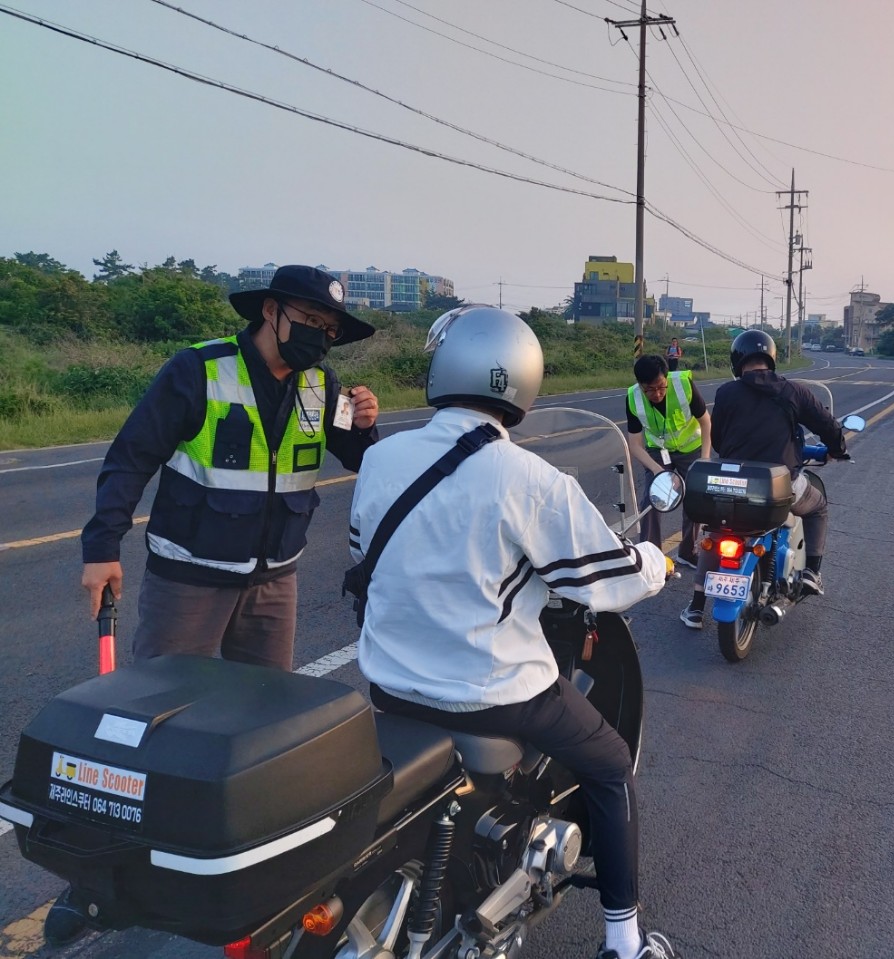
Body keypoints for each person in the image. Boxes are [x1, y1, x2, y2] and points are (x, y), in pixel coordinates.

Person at [50, 267, 382, 948]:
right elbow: (130, 455)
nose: (321, 338)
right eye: (310, 321)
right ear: (270, 311)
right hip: (188, 582)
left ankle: (240, 862)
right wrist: (101, 544)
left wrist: (368, 425)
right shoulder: (199, 370)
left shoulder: (322, 387)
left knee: (261, 734)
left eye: (330, 331)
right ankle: (97, 879)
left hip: (273, 584)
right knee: (144, 733)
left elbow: (357, 456)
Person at [351, 306, 681, 959]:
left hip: (389, 683)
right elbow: (603, 581)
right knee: (611, 763)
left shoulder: (382, 457)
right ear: (520, 381)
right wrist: (656, 562)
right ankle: (624, 940)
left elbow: (364, 554)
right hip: (492, 690)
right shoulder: (527, 477)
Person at [679, 330, 848, 630]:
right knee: (818, 506)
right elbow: (828, 425)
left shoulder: (726, 393)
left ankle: (695, 607)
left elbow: (718, 440)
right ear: (771, 359)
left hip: (731, 486)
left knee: (717, 533)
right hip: (777, 487)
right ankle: (812, 571)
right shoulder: (794, 391)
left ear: (736, 360)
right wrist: (836, 449)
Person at [626, 354, 712, 569]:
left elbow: (706, 422)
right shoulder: (633, 397)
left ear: (666, 377)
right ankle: (650, 556)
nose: (656, 394)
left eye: (661, 387)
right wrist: (658, 471)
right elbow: (635, 444)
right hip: (658, 451)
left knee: (694, 498)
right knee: (653, 499)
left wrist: (705, 458)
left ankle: (687, 552)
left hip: (690, 449)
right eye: (649, 389)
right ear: (640, 385)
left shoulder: (683, 384)